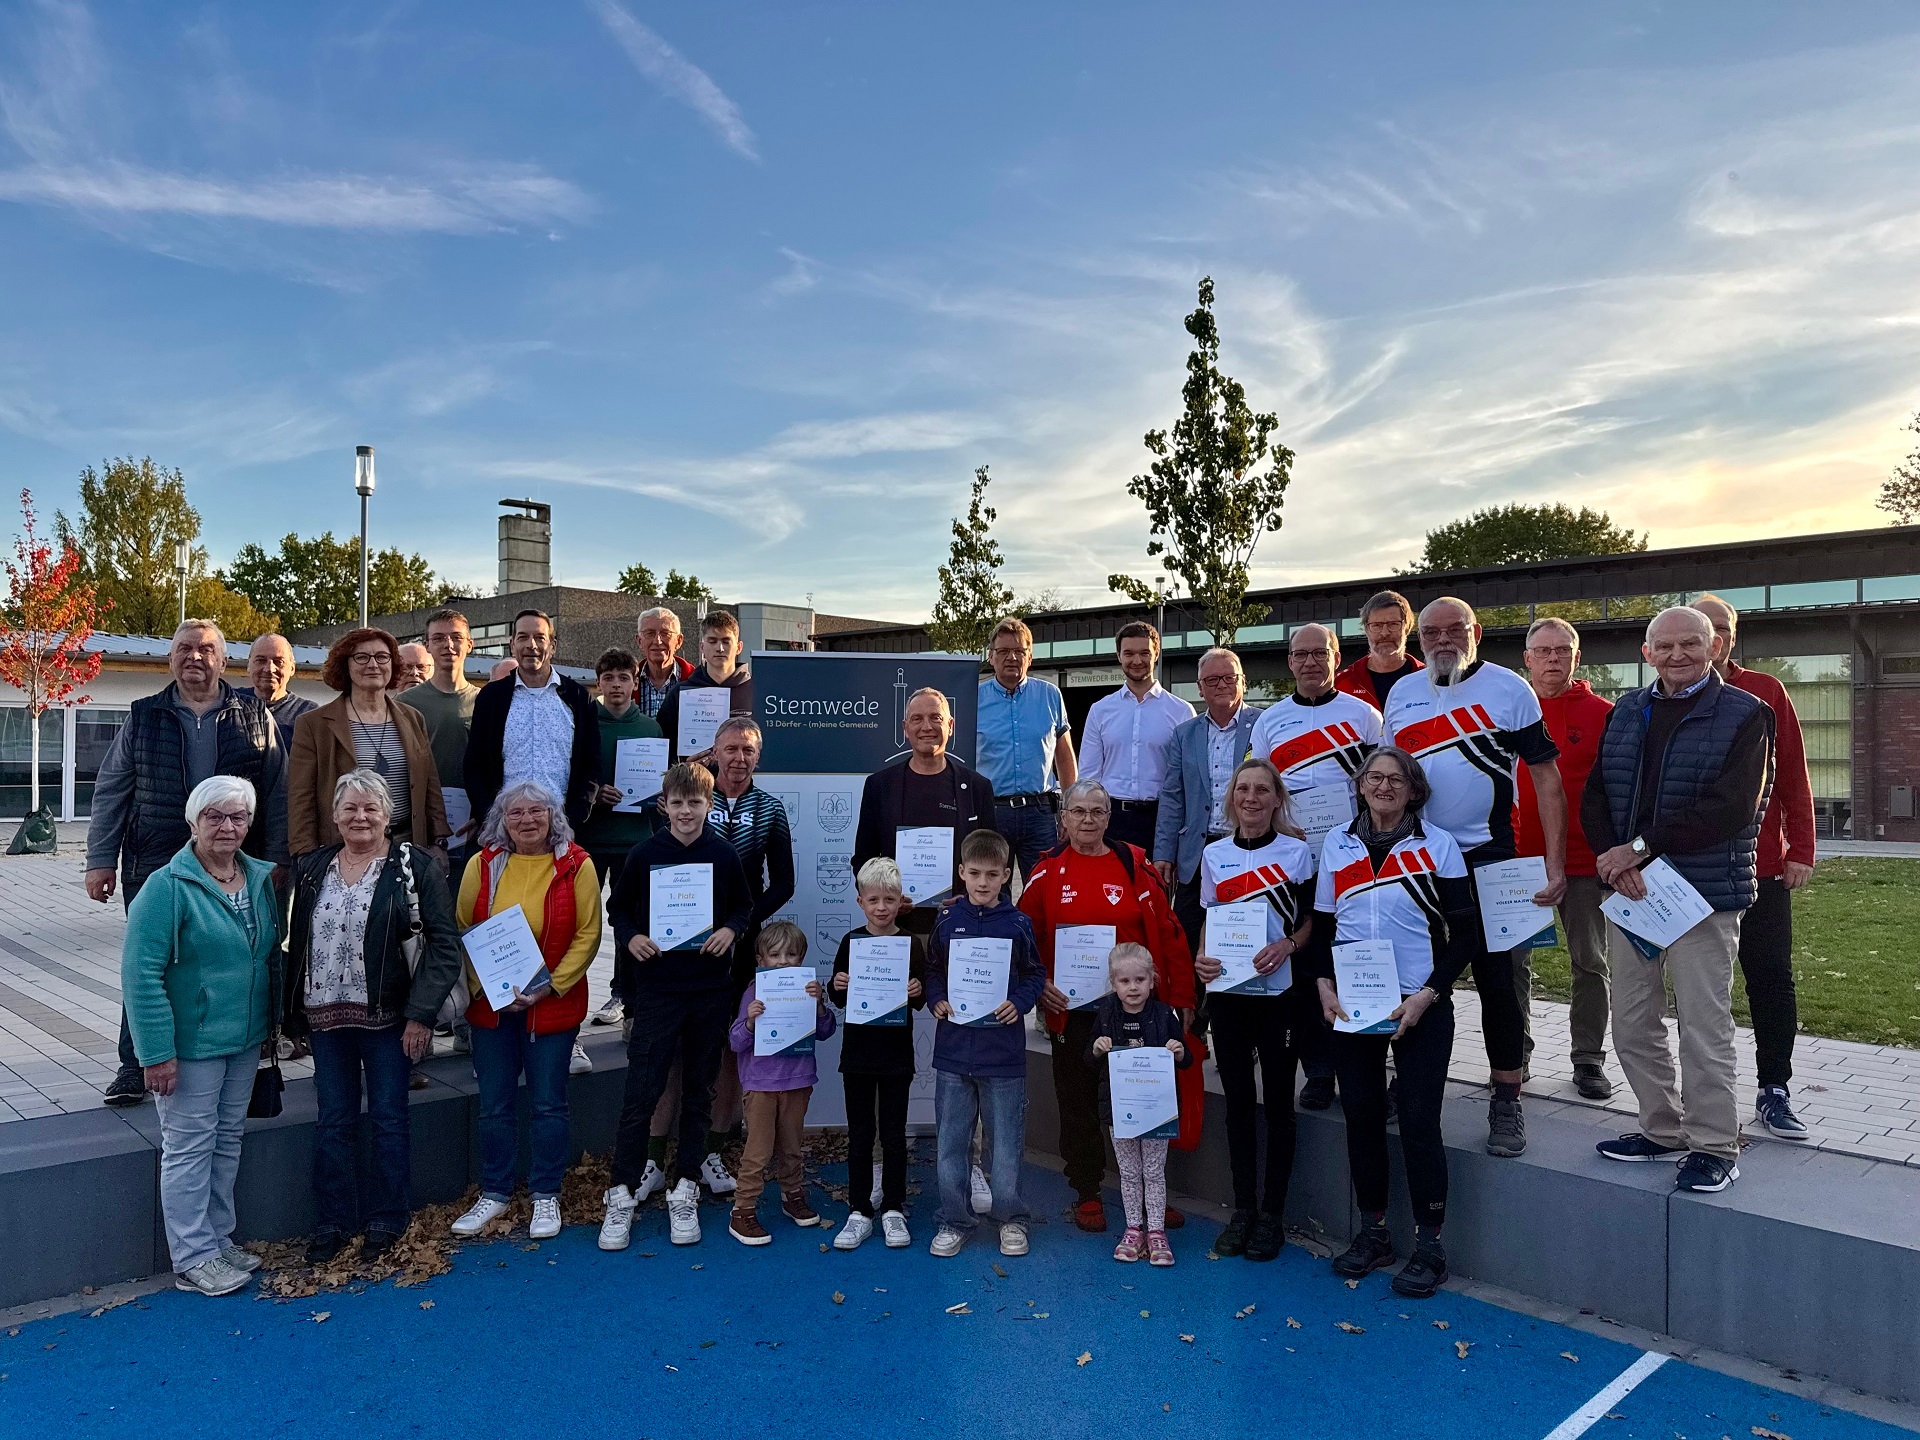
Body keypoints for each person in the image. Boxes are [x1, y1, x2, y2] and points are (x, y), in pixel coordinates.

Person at [1587, 607, 1773, 1194]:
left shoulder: (1747, 713)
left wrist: (1638, 848)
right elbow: (1597, 794)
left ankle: (1716, 1143)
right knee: (1633, 1021)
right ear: (1646, 653)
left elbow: (1733, 808)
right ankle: (1663, 1129)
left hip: (1702, 894)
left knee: (1702, 1026)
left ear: (1714, 645)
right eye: (1663, 646)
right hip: (1631, 890)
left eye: (1689, 644)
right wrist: (1612, 856)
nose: (1677, 655)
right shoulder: (1626, 711)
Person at [1384, 596, 1565, 1158]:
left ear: (1476, 632)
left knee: (1500, 983)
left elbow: (1548, 781)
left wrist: (1555, 863)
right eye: (1431, 632)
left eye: (1454, 630)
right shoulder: (1402, 694)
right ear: (1419, 641)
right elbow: (1387, 781)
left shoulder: (1511, 689)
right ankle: (1408, 1079)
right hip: (1419, 858)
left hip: (1493, 855)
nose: (1443, 640)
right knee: (1415, 973)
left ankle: (1507, 1095)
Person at [87, 619, 286, 1107]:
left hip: (234, 864)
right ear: (170, 658)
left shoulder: (255, 715)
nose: (194, 657)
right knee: (150, 964)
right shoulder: (144, 715)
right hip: (155, 863)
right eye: (184, 649)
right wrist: (99, 859)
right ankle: (135, 1065)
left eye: (205, 649)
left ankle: (241, 1050)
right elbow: (112, 789)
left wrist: (278, 859)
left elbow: (279, 792)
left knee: (235, 963)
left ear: (223, 660)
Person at [1311, 746, 1477, 1299]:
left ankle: (1430, 1244)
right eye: (1374, 778)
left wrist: (1429, 995)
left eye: (1396, 780)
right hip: (1356, 1002)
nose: (1384, 787)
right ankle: (1375, 1232)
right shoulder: (1337, 843)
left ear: (1413, 790)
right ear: (1359, 786)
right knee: (1360, 1115)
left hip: (1420, 1002)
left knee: (1419, 1120)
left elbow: (1466, 935)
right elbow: (1324, 924)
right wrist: (1323, 985)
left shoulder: (1439, 846)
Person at [283, 770, 462, 1263]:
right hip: (325, 1020)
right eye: (350, 809)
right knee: (334, 1121)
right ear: (335, 815)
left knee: (388, 1118)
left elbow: (444, 947)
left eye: (371, 809)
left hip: (390, 1020)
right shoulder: (315, 866)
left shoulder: (414, 867)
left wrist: (421, 1015)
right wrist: (288, 1014)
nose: (360, 817)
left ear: (388, 815)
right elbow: (296, 942)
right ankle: (333, 1221)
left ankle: (387, 1216)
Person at [121, 775, 281, 1297]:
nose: (227, 826)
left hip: (244, 1038)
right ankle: (192, 1256)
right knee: (188, 1148)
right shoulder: (166, 886)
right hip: (189, 1047)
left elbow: (267, 956)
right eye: (214, 816)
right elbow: (141, 974)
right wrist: (156, 1053)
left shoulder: (258, 878)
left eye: (237, 817)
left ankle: (216, 1237)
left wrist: (271, 1029)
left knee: (227, 1140)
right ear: (193, 822)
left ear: (249, 824)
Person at [1019, 778, 1194, 1234]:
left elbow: (1170, 931)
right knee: (1076, 1099)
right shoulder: (1046, 872)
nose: (1088, 820)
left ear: (1109, 817)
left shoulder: (1133, 864)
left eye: (1097, 812)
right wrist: (1041, 986)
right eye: (1079, 812)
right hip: (1073, 1011)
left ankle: (1151, 1192)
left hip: (1135, 1008)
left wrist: (1179, 998)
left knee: (1145, 1097)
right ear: (1064, 817)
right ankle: (1088, 1190)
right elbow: (1023, 940)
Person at [599, 762, 754, 1251]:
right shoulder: (644, 854)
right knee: (641, 1092)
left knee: (699, 1090)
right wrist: (632, 936)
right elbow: (617, 909)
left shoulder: (723, 854)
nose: (686, 812)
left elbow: (742, 906)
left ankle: (685, 1185)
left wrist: (730, 930)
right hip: (658, 991)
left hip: (709, 990)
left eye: (696, 803)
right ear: (664, 805)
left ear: (709, 806)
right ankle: (621, 1193)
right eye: (678, 803)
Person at [449, 782, 603, 1241]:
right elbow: (464, 926)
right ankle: (494, 1192)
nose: (527, 820)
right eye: (516, 813)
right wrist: (492, 989)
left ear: (554, 817)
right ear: (502, 819)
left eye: (538, 811)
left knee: (548, 1105)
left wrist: (547, 988)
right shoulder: (483, 864)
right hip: (491, 1007)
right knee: (494, 1106)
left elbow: (588, 934)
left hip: (551, 1006)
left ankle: (545, 1194)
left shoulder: (578, 865)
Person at [1694, 593, 1817, 1140]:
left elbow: (1793, 773)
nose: (1712, 639)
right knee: (1702, 989)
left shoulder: (1764, 691)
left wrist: (1802, 850)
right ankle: (1704, 1098)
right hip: (1692, 872)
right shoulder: (1665, 697)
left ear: (1731, 637)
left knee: (1769, 977)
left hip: (1762, 866)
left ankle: (1775, 1089)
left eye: (1720, 629)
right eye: (1703, 630)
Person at [1249, 623, 1384, 1109]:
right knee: (1306, 965)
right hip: (1293, 859)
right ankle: (1319, 1069)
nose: (1309, 662)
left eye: (1319, 653)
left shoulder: (1365, 715)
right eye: (1300, 654)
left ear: (1335, 657)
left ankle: (1363, 1065)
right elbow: (1260, 786)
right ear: (1290, 662)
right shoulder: (1270, 721)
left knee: (1350, 956)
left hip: (1351, 856)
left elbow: (1382, 784)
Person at [1194, 758, 1317, 1263]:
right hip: (1229, 995)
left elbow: (1311, 922)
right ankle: (1243, 1210)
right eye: (1242, 789)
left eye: (1261, 790)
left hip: (1280, 994)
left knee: (1280, 1106)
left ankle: (1273, 1215)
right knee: (1239, 1103)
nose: (1251, 798)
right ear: (1231, 799)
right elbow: (1209, 918)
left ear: (1276, 798)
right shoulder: (1214, 855)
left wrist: (1288, 945)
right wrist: (1202, 958)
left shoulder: (1298, 853)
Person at [924, 828, 1045, 1259]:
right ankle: (955, 1219)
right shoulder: (946, 921)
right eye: (974, 873)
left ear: (1006, 876)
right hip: (955, 1053)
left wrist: (1019, 1001)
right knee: (951, 1144)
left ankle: (1010, 1218)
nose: (982, 882)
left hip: (1003, 1056)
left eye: (992, 874)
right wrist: (936, 998)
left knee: (1006, 1146)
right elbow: (933, 970)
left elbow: (1035, 974)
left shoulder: (1017, 924)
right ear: (961, 872)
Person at [1515, 617, 1615, 1100]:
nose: (1553, 658)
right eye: (1543, 650)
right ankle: (1517, 1054)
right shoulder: (1505, 710)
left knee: (1589, 962)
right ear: (1527, 658)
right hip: (1516, 863)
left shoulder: (1603, 714)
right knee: (1513, 963)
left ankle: (1588, 1059)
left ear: (1577, 657)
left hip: (1583, 862)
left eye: (1563, 650)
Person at [828, 858, 927, 1251]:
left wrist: (917, 990)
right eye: (873, 899)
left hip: (896, 1056)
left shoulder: (911, 944)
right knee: (860, 1134)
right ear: (860, 901)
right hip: (857, 1055)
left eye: (889, 899)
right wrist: (838, 983)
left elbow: (918, 1003)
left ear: (901, 901)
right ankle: (858, 1210)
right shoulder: (851, 943)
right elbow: (838, 995)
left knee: (893, 1135)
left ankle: (893, 1208)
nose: (882, 907)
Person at [288, 629, 447, 857]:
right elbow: (300, 800)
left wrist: (439, 841)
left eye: (382, 657)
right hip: (344, 851)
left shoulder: (413, 718)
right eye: (361, 657)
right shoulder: (313, 725)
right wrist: (305, 856)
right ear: (346, 665)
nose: (373, 665)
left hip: (408, 847)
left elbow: (430, 784)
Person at [851, 688, 996, 936]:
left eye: (935, 718)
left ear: (950, 725)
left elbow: (993, 859)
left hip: (962, 926)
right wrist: (887, 899)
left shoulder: (977, 787)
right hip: (898, 928)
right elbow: (864, 858)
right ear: (905, 728)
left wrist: (969, 897)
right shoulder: (880, 786)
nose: (926, 727)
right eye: (917, 719)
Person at [726, 921, 835, 1245]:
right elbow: (734, 1042)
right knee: (757, 1152)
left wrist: (818, 1006)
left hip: (797, 1081)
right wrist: (749, 1021)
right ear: (761, 960)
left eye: (792, 954)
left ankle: (792, 1195)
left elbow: (826, 1032)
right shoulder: (752, 992)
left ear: (801, 959)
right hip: (760, 1085)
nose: (784, 961)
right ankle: (742, 1210)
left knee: (791, 1147)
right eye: (775, 955)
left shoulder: (809, 990)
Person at [579, 647, 666, 1036]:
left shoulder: (650, 728)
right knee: (583, 922)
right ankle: (571, 1004)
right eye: (609, 678)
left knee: (630, 924)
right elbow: (572, 777)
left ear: (635, 684)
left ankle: (625, 999)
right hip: (591, 839)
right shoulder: (584, 723)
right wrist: (593, 793)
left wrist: (660, 801)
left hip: (636, 840)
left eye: (624, 678)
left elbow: (659, 784)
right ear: (599, 682)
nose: (616, 685)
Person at [1086, 944, 1192, 1267]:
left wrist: (1179, 1051)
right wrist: (1096, 1048)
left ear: (1152, 980)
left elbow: (1185, 1060)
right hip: (1120, 1112)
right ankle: (1133, 1228)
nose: (1133, 988)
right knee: (1129, 1172)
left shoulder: (1163, 1015)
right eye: (1124, 981)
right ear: (1113, 983)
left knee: (1154, 1172)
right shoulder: (1105, 1015)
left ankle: (1157, 1231)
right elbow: (1087, 1062)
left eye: (1140, 980)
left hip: (1157, 1112)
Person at [1153, 647, 1259, 956]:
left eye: (1229, 678)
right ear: (1199, 687)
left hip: (1247, 846)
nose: (1221, 685)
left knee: (1241, 934)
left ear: (1243, 681)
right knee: (1187, 936)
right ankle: (1191, 1005)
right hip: (1196, 854)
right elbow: (1173, 797)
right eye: (1211, 680)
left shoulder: (1264, 724)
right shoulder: (1184, 734)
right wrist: (1164, 852)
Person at [465, 609, 601, 831]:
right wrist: (489, 819)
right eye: (523, 637)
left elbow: (591, 765)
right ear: (512, 645)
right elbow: (475, 765)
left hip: (562, 827)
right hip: (504, 828)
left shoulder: (578, 697)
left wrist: (574, 820)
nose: (532, 645)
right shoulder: (491, 697)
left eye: (540, 637)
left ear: (553, 645)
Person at [975, 616, 1077, 882]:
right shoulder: (973, 699)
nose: (1012, 657)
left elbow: (1064, 757)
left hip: (1040, 814)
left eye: (1019, 651)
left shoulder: (1050, 695)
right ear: (991, 657)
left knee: (1046, 888)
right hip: (992, 814)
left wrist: (1070, 809)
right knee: (992, 893)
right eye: (1003, 651)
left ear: (1030, 657)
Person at [1077, 621, 1193, 853]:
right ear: (1119, 656)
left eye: (1144, 653)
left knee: (1156, 888)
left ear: (1156, 654)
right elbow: (1089, 776)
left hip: (1161, 820)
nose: (1137, 661)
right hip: (1111, 819)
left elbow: (1186, 777)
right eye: (1129, 653)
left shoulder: (1181, 711)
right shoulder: (1100, 710)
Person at [397, 608, 482, 862]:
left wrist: (485, 812)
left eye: (456, 637)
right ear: (427, 646)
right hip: (419, 829)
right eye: (439, 638)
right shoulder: (404, 703)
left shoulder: (487, 702)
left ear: (469, 644)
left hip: (475, 829)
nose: (448, 645)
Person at [658, 609, 755, 761]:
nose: (720, 648)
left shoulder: (757, 692)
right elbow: (663, 747)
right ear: (702, 647)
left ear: (739, 647)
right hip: (693, 782)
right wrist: (683, 767)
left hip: (744, 781)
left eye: (726, 641)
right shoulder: (680, 693)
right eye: (712, 641)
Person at [1335, 590, 1425, 711]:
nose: (1384, 633)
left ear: (1407, 627)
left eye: (1393, 624)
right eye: (1376, 625)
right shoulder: (1342, 683)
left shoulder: (1427, 680)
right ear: (1366, 630)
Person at [237, 633, 316, 737]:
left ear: (292, 668)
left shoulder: (310, 715)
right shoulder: (230, 704)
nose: (269, 669)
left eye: (279, 662)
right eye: (261, 660)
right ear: (248, 665)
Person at [636, 605, 695, 719]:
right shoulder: (626, 682)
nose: (657, 641)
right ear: (639, 641)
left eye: (665, 633)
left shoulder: (696, 682)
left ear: (679, 641)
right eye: (650, 633)